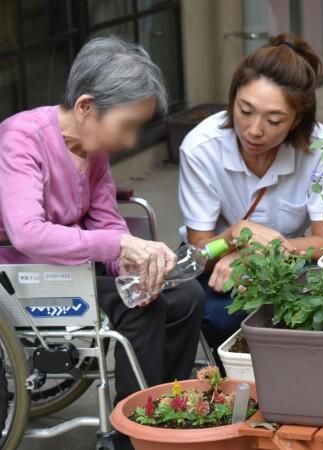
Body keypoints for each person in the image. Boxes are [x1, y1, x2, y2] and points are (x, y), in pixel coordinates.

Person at [0, 36, 203, 449]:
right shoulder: (21, 139)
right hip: (23, 278)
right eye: (126, 125)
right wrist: (119, 248)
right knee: (141, 312)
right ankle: (134, 435)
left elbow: (107, 222)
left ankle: (165, 408)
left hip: (72, 272)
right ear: (86, 107)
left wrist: (133, 264)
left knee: (185, 296)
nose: (130, 141)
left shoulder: (92, 151)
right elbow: (26, 233)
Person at [178, 34, 323, 361]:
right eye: (245, 110)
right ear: (232, 99)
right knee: (218, 315)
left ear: (297, 120)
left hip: (291, 264)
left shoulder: (320, 147)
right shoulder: (200, 148)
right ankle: (235, 392)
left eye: (274, 120)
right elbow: (200, 250)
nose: (254, 130)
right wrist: (233, 237)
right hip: (221, 268)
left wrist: (262, 254)